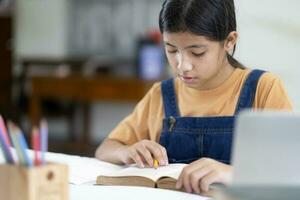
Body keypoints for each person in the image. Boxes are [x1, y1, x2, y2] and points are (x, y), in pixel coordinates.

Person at [95, 0, 292, 195]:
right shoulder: (161, 94)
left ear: (229, 41)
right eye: (171, 50)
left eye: (197, 52)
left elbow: (290, 167)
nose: (182, 66)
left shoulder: (263, 88)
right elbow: (106, 148)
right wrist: (127, 151)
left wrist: (234, 173)